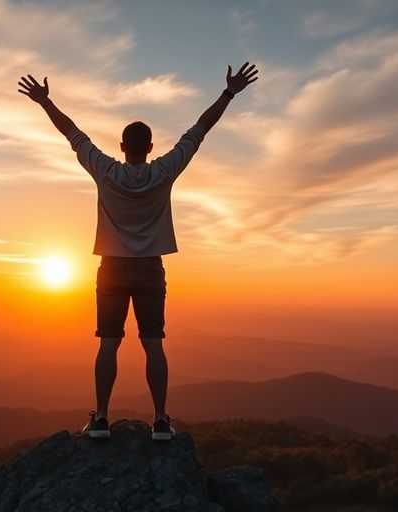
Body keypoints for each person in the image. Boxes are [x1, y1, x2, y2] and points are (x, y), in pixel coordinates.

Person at [18, 62, 259, 441]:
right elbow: (200, 131)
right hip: (150, 268)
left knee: (108, 344)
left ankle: (100, 420)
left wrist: (45, 102)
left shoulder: (105, 171)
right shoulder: (164, 171)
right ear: (149, 148)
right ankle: (161, 421)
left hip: (111, 269)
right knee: (153, 343)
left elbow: (73, 134)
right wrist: (228, 93)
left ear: (121, 147)